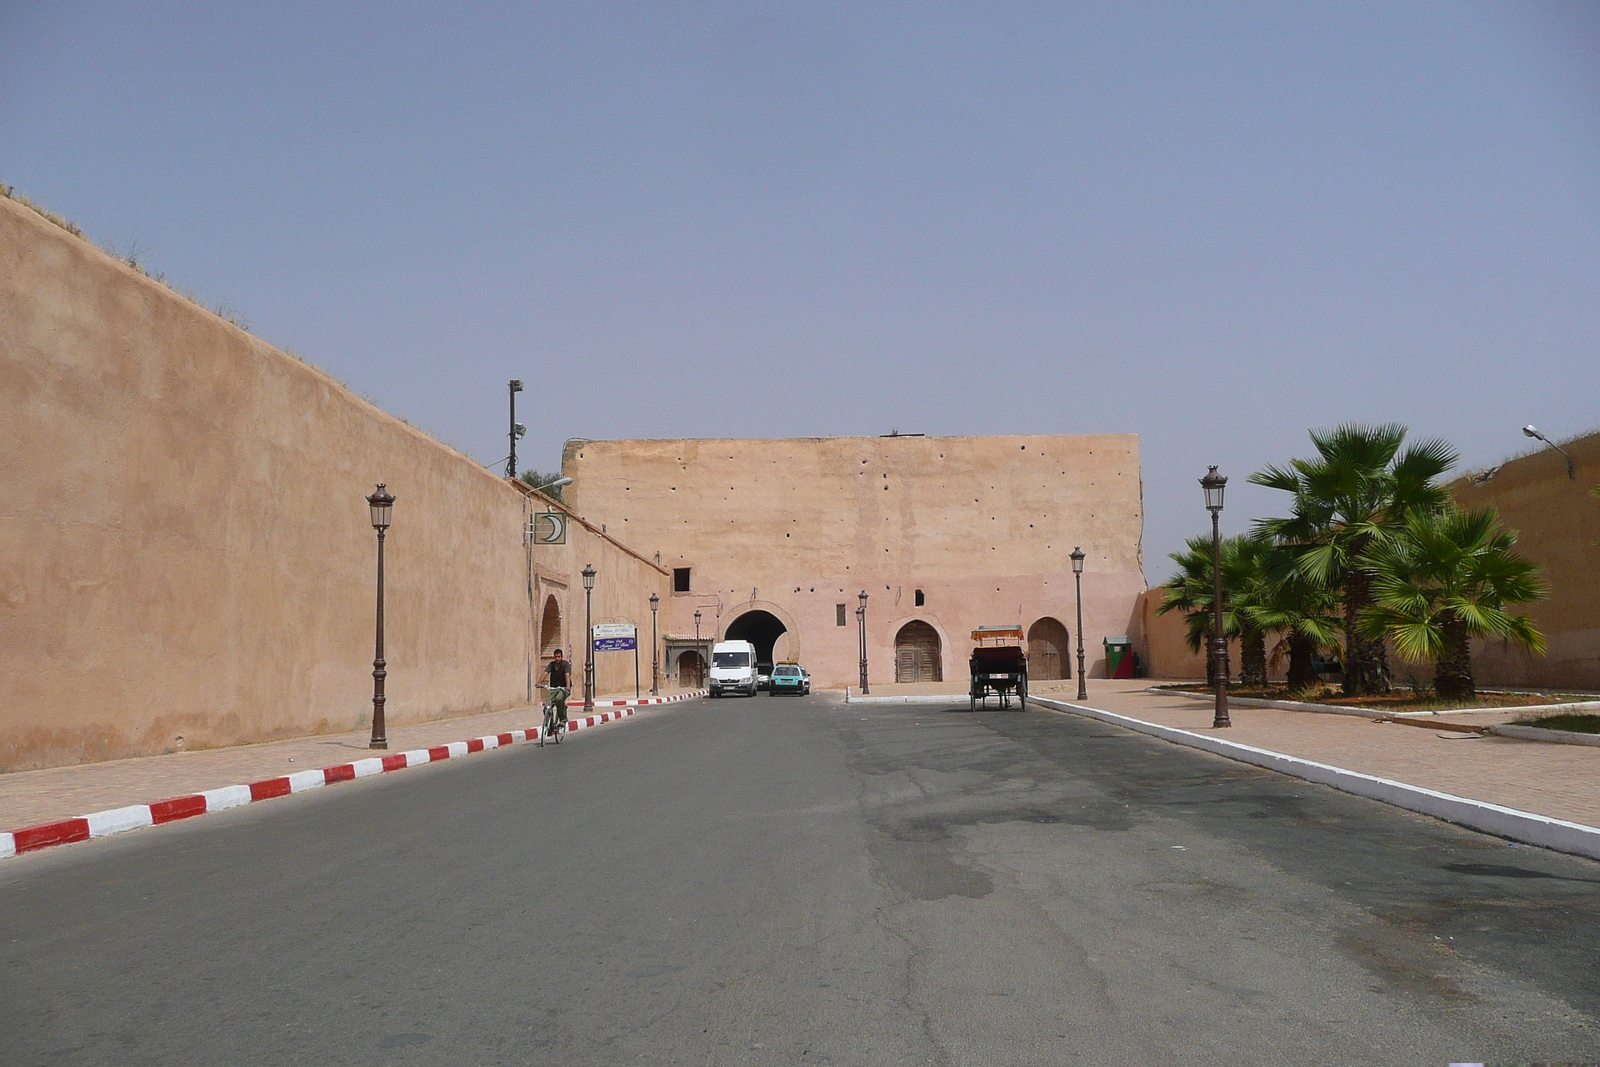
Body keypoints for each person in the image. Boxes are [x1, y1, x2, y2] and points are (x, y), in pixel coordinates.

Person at [542, 649, 571, 728]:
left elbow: (567, 675)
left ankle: (563, 719)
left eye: (559, 657)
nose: (557, 659)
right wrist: (539, 682)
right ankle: (550, 725)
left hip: (564, 689)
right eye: (555, 657)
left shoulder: (565, 664)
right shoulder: (552, 664)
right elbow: (545, 673)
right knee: (546, 707)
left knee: (558, 699)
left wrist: (568, 686)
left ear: (562, 657)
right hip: (554, 689)